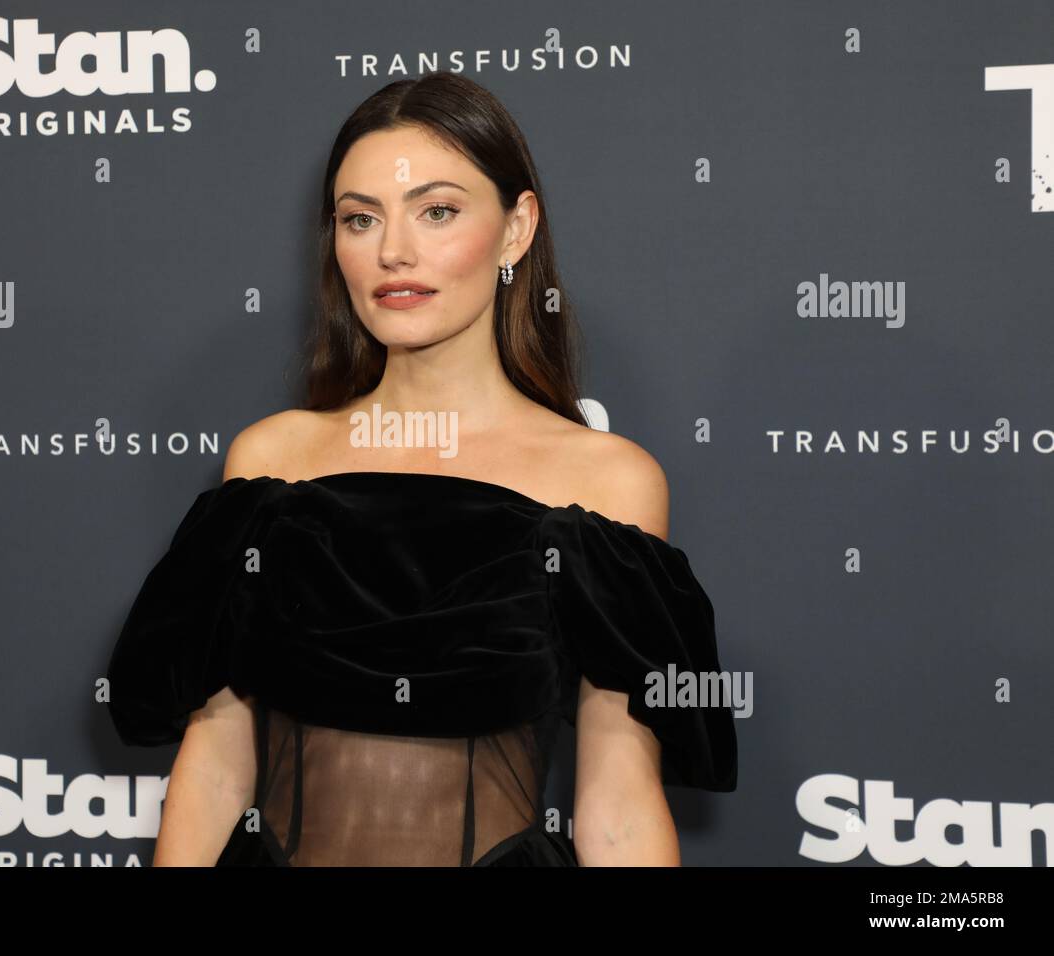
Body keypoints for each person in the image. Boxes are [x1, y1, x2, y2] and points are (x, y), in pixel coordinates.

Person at [105, 72, 737, 866]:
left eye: (437, 211)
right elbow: (216, 765)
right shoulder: (270, 464)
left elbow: (617, 806)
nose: (393, 252)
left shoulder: (608, 485)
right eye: (359, 219)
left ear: (516, 230)